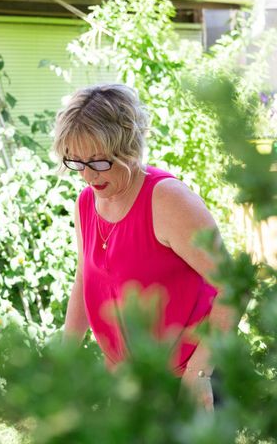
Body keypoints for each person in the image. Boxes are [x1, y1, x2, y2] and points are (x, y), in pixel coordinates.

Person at [56, 84, 235, 411]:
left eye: (98, 162)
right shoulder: (86, 203)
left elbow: (234, 285)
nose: (86, 175)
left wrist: (198, 373)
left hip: (187, 377)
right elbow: (86, 278)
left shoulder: (167, 200)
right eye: (76, 162)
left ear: (128, 148)